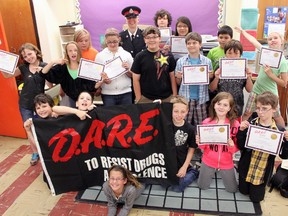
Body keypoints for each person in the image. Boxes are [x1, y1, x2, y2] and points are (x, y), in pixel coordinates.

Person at [1, 43, 51, 165]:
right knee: (29, 128)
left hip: (40, 105)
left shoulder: (44, 65)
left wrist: (45, 73)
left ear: (36, 52)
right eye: (25, 56)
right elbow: (8, 75)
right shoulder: (23, 68)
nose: (28, 57)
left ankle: (46, 151)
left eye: (30, 54)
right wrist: (2, 64)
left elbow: (50, 85)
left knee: (42, 128)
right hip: (25, 104)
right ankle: (35, 152)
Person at [236, 91, 288, 202]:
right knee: (243, 191)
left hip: (262, 173)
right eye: (258, 108)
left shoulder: (279, 131)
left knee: (256, 199)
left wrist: (287, 141)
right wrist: (241, 131)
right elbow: (241, 146)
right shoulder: (251, 124)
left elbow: (284, 155)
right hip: (246, 169)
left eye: (264, 108)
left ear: (274, 109)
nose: (260, 112)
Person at [235, 27, 288, 127]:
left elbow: (284, 83)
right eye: (270, 39)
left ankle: (284, 136)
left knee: (276, 116)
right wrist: (242, 31)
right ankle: (242, 131)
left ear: (282, 41)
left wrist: (271, 74)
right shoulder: (265, 52)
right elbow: (253, 41)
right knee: (247, 113)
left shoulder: (284, 62)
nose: (272, 40)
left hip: (271, 93)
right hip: (257, 90)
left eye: (275, 38)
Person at [196, 92, 240, 193]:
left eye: (225, 105)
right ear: (214, 105)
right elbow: (202, 147)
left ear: (230, 108)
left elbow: (236, 148)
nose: (221, 107)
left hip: (226, 162)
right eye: (219, 104)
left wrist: (231, 146)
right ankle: (200, 170)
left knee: (232, 190)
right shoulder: (206, 122)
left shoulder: (235, 125)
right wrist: (199, 142)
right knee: (202, 186)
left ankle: (231, 169)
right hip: (208, 160)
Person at [41, 41, 97, 108]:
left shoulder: (85, 66)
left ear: (78, 52)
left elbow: (92, 86)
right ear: (67, 53)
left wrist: (101, 81)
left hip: (85, 101)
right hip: (69, 101)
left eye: (75, 50)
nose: (73, 52)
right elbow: (43, 73)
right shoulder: (62, 67)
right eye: (70, 51)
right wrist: (53, 62)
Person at [175, 32, 213, 128]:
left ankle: (198, 142)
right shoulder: (181, 61)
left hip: (202, 98)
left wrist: (210, 75)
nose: (191, 45)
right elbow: (178, 82)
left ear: (200, 44)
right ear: (186, 45)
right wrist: (178, 77)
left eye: (194, 43)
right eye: (189, 43)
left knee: (201, 124)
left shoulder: (207, 61)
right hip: (185, 98)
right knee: (184, 123)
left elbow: (209, 79)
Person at [131, 26, 177, 103]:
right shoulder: (139, 57)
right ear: (144, 39)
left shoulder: (168, 55)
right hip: (146, 99)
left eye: (154, 37)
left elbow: (172, 77)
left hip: (167, 98)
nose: (151, 40)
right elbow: (135, 80)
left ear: (160, 38)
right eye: (148, 37)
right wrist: (139, 99)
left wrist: (175, 95)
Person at [209, 39, 253, 118]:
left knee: (235, 127)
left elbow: (249, 89)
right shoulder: (220, 67)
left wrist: (248, 77)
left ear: (240, 54)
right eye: (229, 53)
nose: (232, 56)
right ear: (225, 53)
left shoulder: (244, 68)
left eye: (236, 53)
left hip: (237, 105)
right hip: (221, 105)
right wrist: (216, 78)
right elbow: (212, 88)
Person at [95, 28, 134, 106]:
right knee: (110, 117)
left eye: (115, 42)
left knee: (127, 116)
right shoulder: (100, 56)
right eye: (109, 42)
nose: (112, 44)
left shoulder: (126, 54)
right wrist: (104, 80)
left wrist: (127, 70)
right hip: (108, 94)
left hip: (126, 92)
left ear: (119, 39)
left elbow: (134, 75)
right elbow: (97, 76)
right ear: (105, 40)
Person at [170, 96, 199, 192]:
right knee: (165, 183)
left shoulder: (190, 129)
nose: (179, 115)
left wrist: (185, 166)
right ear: (171, 111)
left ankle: (193, 171)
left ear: (187, 112)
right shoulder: (165, 125)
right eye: (176, 111)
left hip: (181, 161)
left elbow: (191, 148)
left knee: (177, 188)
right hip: (168, 162)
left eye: (182, 112)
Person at [23, 93, 55, 165]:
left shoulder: (59, 116)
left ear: (51, 106)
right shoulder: (37, 123)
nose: (41, 110)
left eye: (44, 106)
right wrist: (28, 131)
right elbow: (38, 145)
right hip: (49, 157)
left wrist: (56, 112)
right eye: (38, 108)